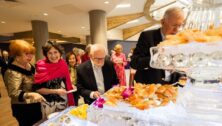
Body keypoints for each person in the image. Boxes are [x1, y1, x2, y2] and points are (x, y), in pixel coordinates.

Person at [130, 7, 185, 84]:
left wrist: (181, 74)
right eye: (174, 25)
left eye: (180, 26)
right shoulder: (147, 36)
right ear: (162, 22)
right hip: (149, 88)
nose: (177, 30)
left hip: (172, 87)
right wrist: (157, 57)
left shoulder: (179, 40)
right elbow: (134, 63)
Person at [4, 40, 45, 126]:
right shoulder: (12, 71)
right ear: (17, 55)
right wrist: (31, 94)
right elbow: (13, 92)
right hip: (23, 108)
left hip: (35, 104)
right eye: (26, 54)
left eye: (31, 53)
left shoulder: (29, 65)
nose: (30, 56)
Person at [34, 41, 75, 118]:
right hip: (49, 105)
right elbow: (38, 89)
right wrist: (55, 91)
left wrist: (71, 86)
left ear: (60, 53)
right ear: (46, 54)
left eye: (55, 52)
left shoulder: (63, 64)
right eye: (50, 53)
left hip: (64, 102)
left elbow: (65, 82)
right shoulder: (40, 66)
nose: (53, 56)